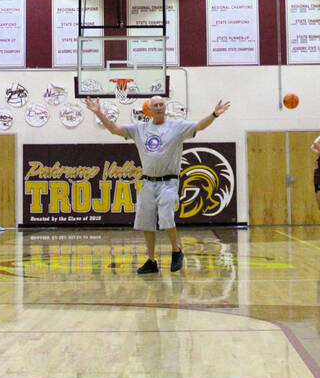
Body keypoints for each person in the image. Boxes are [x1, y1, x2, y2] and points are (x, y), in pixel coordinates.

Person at [84, 94, 230, 273]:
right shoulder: (139, 129)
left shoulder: (177, 126)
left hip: (168, 182)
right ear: (149, 109)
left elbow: (199, 126)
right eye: (156, 105)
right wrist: (99, 113)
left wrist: (214, 114)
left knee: (166, 216)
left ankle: (176, 251)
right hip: (148, 182)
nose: (159, 107)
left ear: (165, 108)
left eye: (162, 104)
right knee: (146, 222)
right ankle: (151, 261)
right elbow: (114, 129)